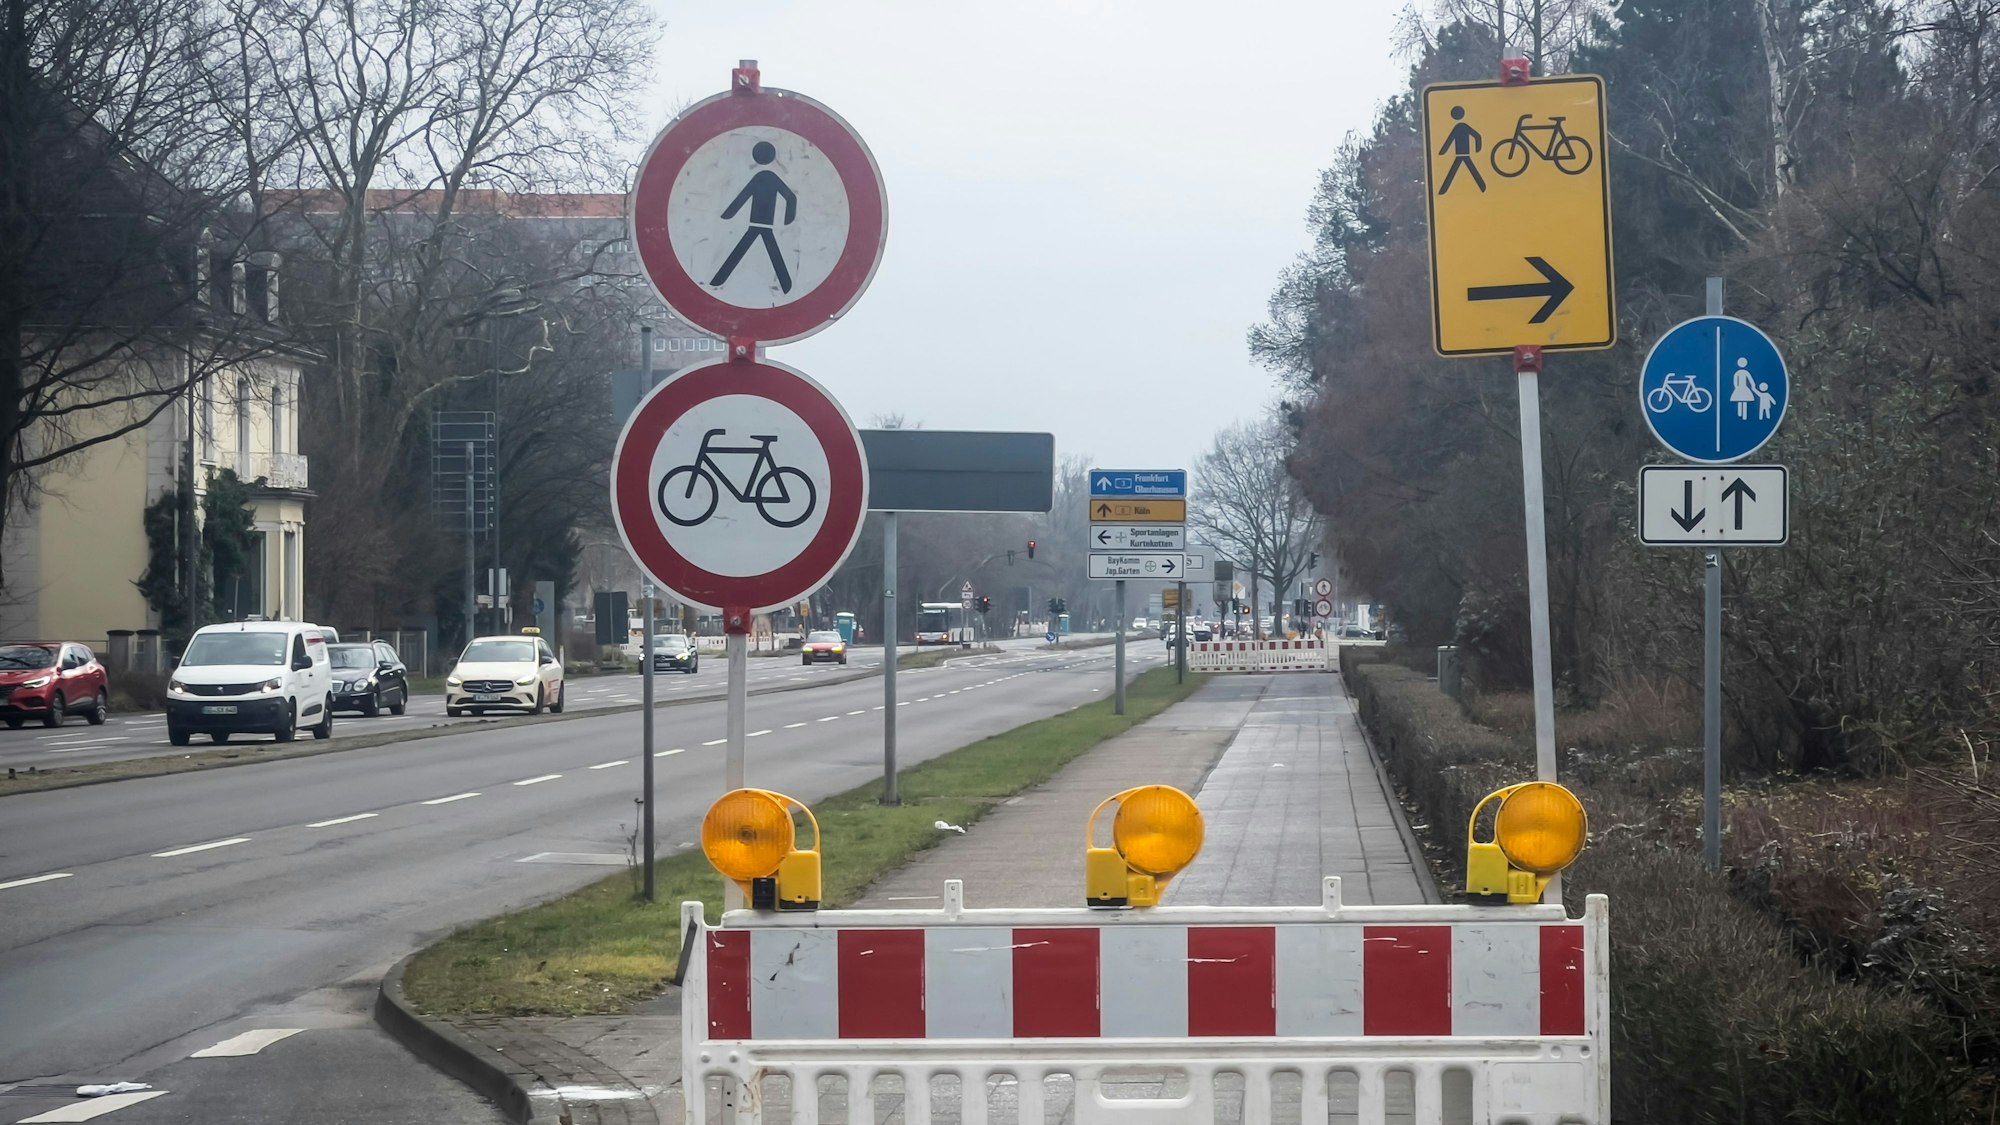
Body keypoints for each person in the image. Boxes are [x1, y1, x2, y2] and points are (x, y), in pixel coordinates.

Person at [1437, 106, 1486, 196]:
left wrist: (1478, 148)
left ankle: (1483, 187)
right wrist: (1443, 151)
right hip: (1461, 154)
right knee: (1463, 169)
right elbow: (1477, 136)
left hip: (1463, 153)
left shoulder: (1460, 127)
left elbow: (1477, 136)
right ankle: (1483, 187)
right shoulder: (1461, 127)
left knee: (1456, 170)